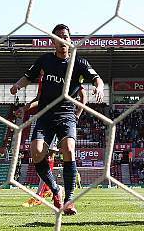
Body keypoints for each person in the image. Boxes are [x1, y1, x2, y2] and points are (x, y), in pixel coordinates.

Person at [10, 24, 104, 215]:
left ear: (70, 41)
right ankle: (55, 189)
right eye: (59, 37)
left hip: (66, 115)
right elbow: (28, 77)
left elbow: (97, 79)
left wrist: (99, 87)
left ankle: (69, 200)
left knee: (68, 149)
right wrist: (17, 86)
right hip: (45, 115)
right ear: (53, 41)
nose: (63, 40)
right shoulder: (45, 60)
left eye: (66, 36)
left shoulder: (80, 63)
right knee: (36, 152)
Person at [19, 76, 88, 207]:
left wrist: (77, 115)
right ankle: (51, 189)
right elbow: (40, 99)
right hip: (45, 119)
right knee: (39, 154)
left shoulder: (66, 72)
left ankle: (42, 194)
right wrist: (25, 108)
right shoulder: (42, 79)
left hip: (62, 119)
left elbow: (82, 94)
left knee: (50, 155)